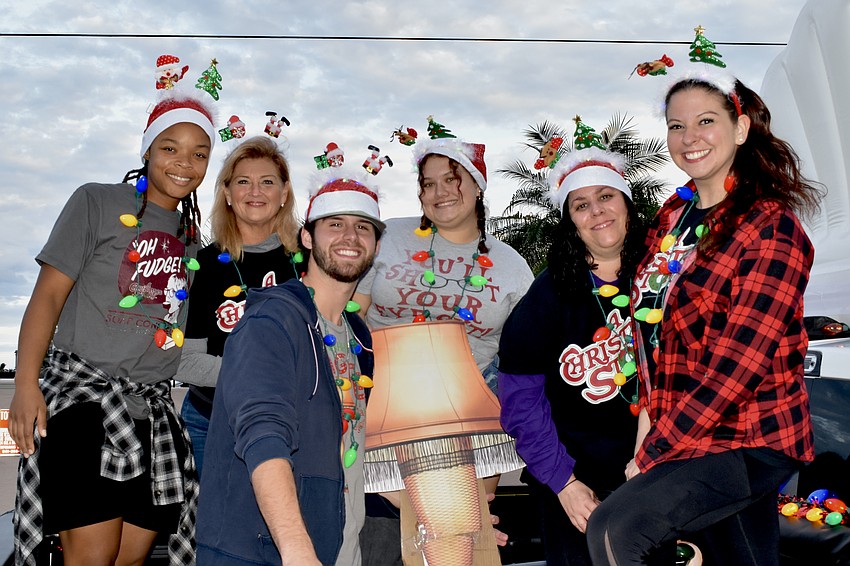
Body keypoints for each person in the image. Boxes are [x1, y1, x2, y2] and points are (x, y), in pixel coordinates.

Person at [586, 68, 822, 565]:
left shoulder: (770, 226)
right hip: (688, 433)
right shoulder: (673, 217)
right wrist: (646, 433)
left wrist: (652, 455)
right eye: (676, 125)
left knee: (615, 527)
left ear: (739, 129)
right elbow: (650, 338)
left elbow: (738, 365)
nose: (689, 138)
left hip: (750, 433)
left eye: (706, 121)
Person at [9, 91, 216, 565]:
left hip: (153, 416)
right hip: (85, 406)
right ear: (146, 150)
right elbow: (48, 296)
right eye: (170, 147)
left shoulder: (192, 241)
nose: (184, 162)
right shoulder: (96, 201)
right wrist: (25, 385)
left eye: (199, 153)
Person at [353, 126, 532, 564]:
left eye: (452, 180)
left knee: (458, 550)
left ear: (477, 185)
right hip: (380, 418)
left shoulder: (512, 267)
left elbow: (521, 360)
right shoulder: (387, 237)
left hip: (465, 431)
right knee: (378, 548)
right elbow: (347, 314)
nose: (439, 193)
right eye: (428, 183)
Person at [197, 170, 385, 566]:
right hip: (265, 552)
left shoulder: (359, 339)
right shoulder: (272, 321)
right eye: (335, 225)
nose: (350, 237)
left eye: (363, 227)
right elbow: (262, 435)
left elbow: (357, 447)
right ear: (306, 237)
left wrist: (444, 515)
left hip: (337, 546)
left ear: (376, 244)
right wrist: (297, 549)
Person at [498, 143, 645, 565]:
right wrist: (565, 483)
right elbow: (520, 403)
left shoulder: (662, 277)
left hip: (657, 471)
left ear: (627, 205)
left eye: (606, 196)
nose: (597, 211)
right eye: (581, 205)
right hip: (574, 482)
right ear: (570, 223)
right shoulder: (548, 295)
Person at [176, 135, 301, 475]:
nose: (255, 192)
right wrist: (260, 375)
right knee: (213, 527)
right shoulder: (202, 264)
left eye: (267, 182)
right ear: (228, 194)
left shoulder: (306, 262)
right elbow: (184, 362)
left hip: (291, 424)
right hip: (209, 421)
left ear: (284, 193)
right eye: (243, 182)